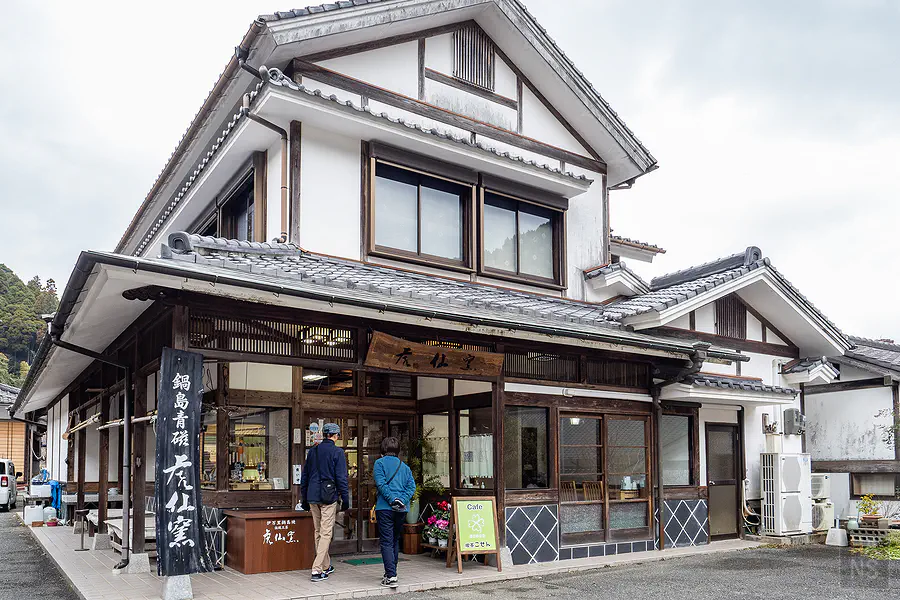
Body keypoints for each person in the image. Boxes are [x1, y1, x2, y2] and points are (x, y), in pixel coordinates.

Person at [300, 423, 350, 583]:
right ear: (336, 436)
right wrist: (346, 499)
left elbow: (305, 476)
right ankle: (316, 570)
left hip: (312, 495)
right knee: (326, 532)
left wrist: (304, 498)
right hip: (329, 496)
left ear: (324, 434)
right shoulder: (338, 452)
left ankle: (326, 565)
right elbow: (342, 478)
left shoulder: (313, 451)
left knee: (318, 531)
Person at [373, 436, 416, 588]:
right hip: (401, 510)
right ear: (398, 450)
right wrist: (401, 500)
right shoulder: (404, 467)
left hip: (385, 508)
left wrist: (392, 499)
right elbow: (411, 487)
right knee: (394, 540)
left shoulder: (379, 463)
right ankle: (392, 572)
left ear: (383, 449)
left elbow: (381, 484)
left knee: (386, 541)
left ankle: (391, 575)